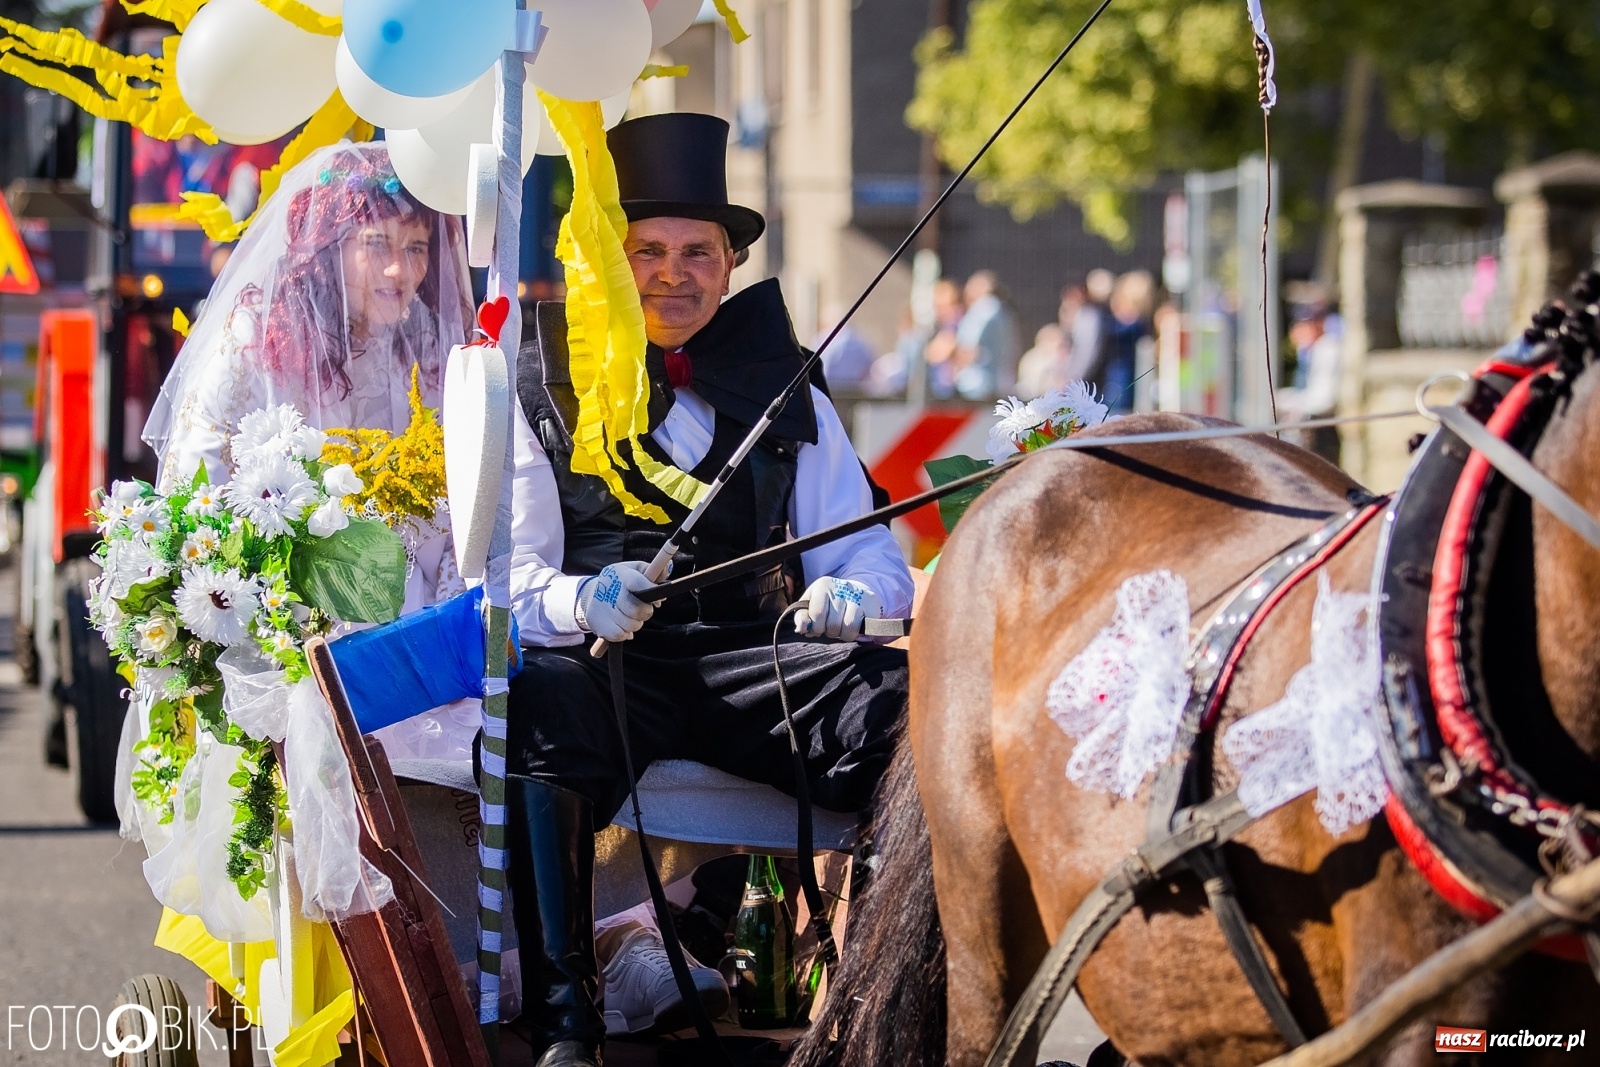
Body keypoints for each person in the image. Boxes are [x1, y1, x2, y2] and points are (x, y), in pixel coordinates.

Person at [506, 112, 913, 1067]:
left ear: (729, 263)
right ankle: (569, 1025)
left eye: (698, 250)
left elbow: (875, 558)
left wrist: (853, 598)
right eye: (646, 249)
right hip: (609, 667)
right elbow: (511, 579)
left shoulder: (790, 385)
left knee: (900, 714)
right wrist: (580, 600)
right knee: (540, 700)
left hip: (754, 660)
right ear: (610, 257)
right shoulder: (534, 378)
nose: (672, 272)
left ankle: (880, 1012)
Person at [144, 141, 480, 762]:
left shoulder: (430, 343)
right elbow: (197, 483)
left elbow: (461, 487)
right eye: (376, 244)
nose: (398, 273)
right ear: (330, 248)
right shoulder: (256, 337)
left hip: (410, 637)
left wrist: (442, 621)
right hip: (286, 632)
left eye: (415, 248)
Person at [952, 269, 1019, 399]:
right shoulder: (1003, 312)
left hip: (977, 385)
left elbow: (969, 348)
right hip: (1000, 383)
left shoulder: (982, 310)